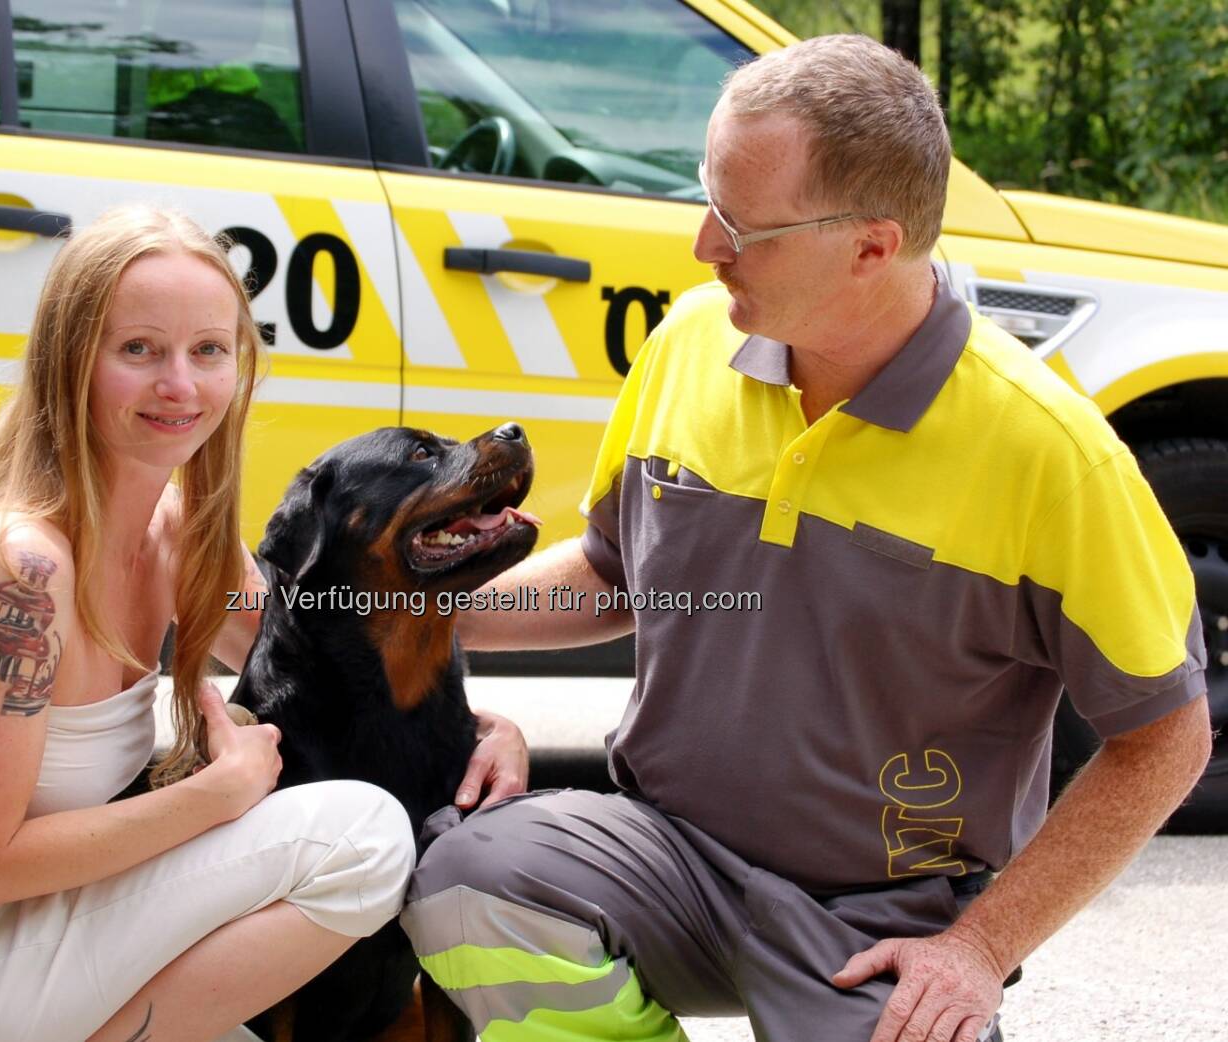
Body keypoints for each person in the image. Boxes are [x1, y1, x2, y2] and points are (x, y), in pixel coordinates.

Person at [398, 34, 1211, 1042]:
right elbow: (615, 574)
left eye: (743, 223)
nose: (705, 244)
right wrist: (410, 611)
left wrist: (980, 949)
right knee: (468, 880)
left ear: (874, 245)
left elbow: (1166, 735)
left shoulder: (1050, 452)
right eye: (708, 201)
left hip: (885, 912)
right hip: (662, 855)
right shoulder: (688, 343)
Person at [0, 205, 527, 1042]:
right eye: (139, 350)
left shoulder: (181, 538)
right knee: (363, 834)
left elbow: (329, 664)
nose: (180, 386)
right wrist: (216, 796)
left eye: (208, 351)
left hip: (48, 943)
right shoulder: (22, 569)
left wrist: (485, 727)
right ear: (69, 365)